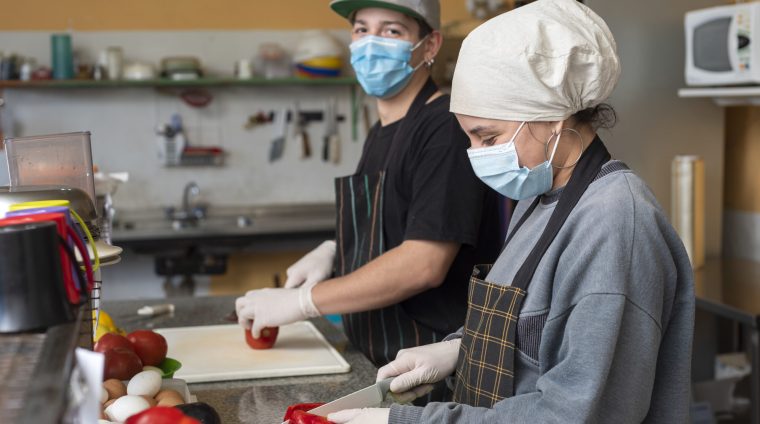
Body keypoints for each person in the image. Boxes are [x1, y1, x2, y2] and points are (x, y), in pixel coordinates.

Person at [326, 0, 696, 423]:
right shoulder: (538, 196)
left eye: (488, 137)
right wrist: (458, 347)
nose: (476, 155)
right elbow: (529, 331)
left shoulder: (615, 226)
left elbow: (576, 414)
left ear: (552, 118)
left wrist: (407, 421)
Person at [235, 0, 501, 403]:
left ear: (429, 46)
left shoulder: (443, 126)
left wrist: (304, 302)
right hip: (378, 363)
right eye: (362, 29)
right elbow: (394, 226)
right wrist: (335, 251)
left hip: (431, 376)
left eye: (392, 31)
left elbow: (424, 263)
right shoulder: (382, 131)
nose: (371, 43)